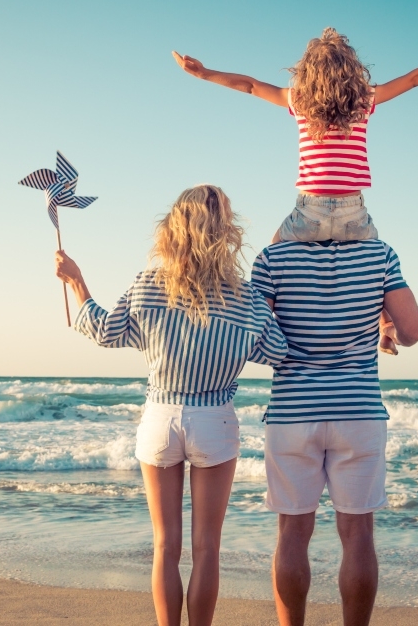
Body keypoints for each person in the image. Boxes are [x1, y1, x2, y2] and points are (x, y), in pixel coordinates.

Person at [173, 27, 418, 354]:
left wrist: (204, 73)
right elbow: (413, 79)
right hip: (353, 214)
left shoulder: (298, 100)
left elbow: (251, 85)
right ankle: (386, 327)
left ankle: (259, 330)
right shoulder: (364, 99)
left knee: (271, 258)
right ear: (351, 69)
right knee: (381, 275)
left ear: (307, 72)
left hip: (308, 213)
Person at [54, 184, 287, 626]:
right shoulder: (246, 297)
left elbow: (107, 332)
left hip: (160, 418)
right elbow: (278, 351)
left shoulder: (149, 284)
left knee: (165, 546)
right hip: (215, 421)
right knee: (207, 548)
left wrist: (77, 283)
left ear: (173, 228)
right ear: (226, 231)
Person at [250, 237, 418, 626]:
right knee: (358, 533)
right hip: (357, 412)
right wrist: (385, 319)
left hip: (293, 414)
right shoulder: (379, 255)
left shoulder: (272, 258)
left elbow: (254, 337)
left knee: (292, 533)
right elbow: (412, 331)